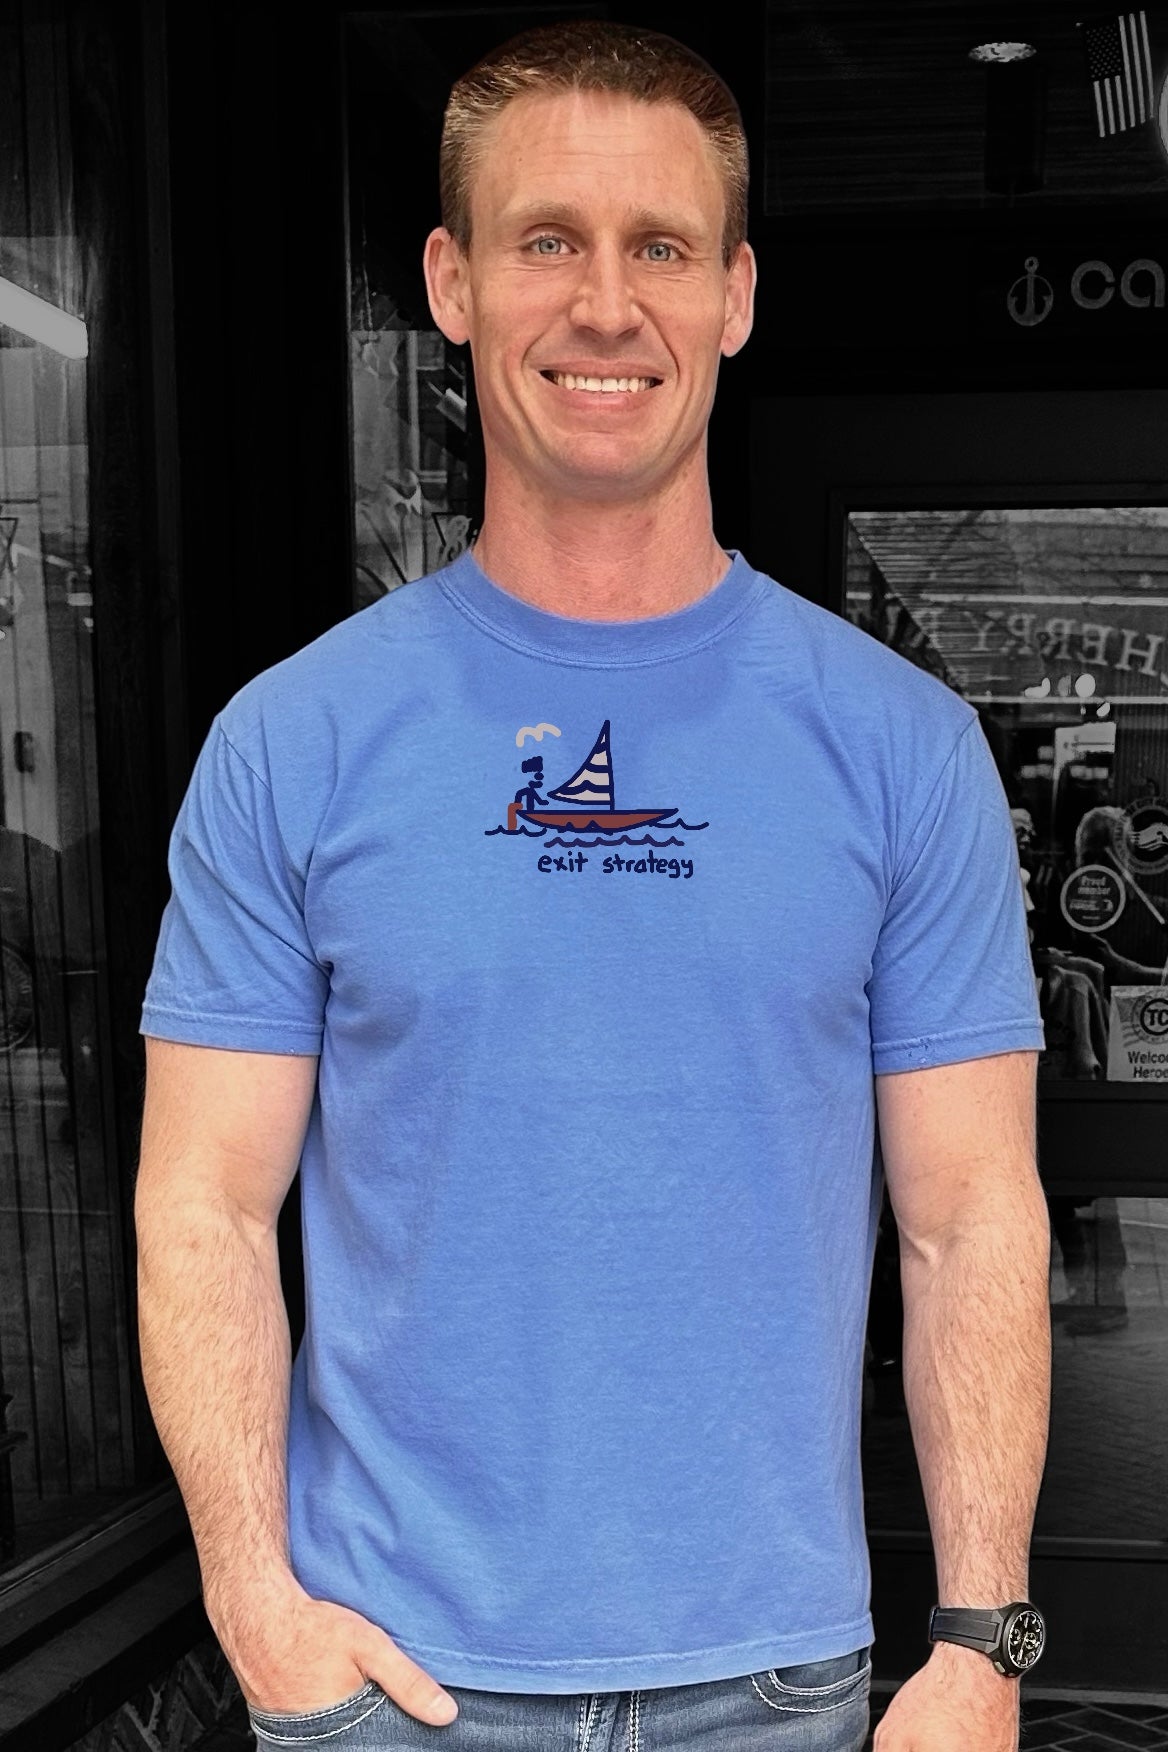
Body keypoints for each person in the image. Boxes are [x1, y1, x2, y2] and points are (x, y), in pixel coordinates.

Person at [134, 20, 1051, 1752]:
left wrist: (982, 1643)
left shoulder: (901, 749)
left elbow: (972, 1217)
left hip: (776, 1682)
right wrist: (255, 1603)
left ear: (738, 296)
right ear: (452, 281)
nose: (607, 305)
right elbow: (203, 1208)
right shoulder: (293, 742)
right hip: (390, 1683)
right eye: (548, 239)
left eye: (663, 248)